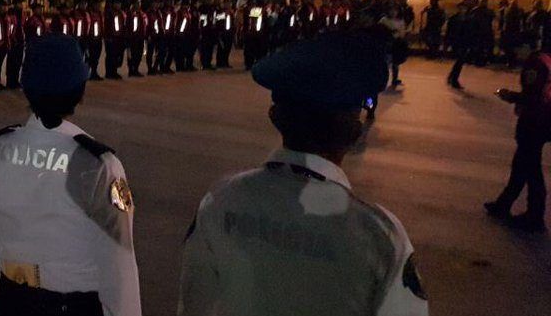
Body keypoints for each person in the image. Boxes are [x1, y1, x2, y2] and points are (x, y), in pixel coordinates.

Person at [179, 31, 427, 316]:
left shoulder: (220, 201)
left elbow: (193, 303)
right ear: (355, 131)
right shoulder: (379, 237)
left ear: (275, 117)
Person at [0, 34, 139, 316]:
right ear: (80, 91)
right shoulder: (99, 165)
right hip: (73, 306)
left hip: (13, 300)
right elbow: (117, 260)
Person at [485, 38, 550, 233]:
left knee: (531, 170)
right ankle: (503, 204)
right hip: (543, 119)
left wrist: (509, 96)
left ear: (526, 46)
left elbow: (532, 95)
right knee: (521, 165)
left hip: (535, 122)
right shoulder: (545, 59)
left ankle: (535, 216)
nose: (516, 53)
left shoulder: (534, 63)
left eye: (517, 47)